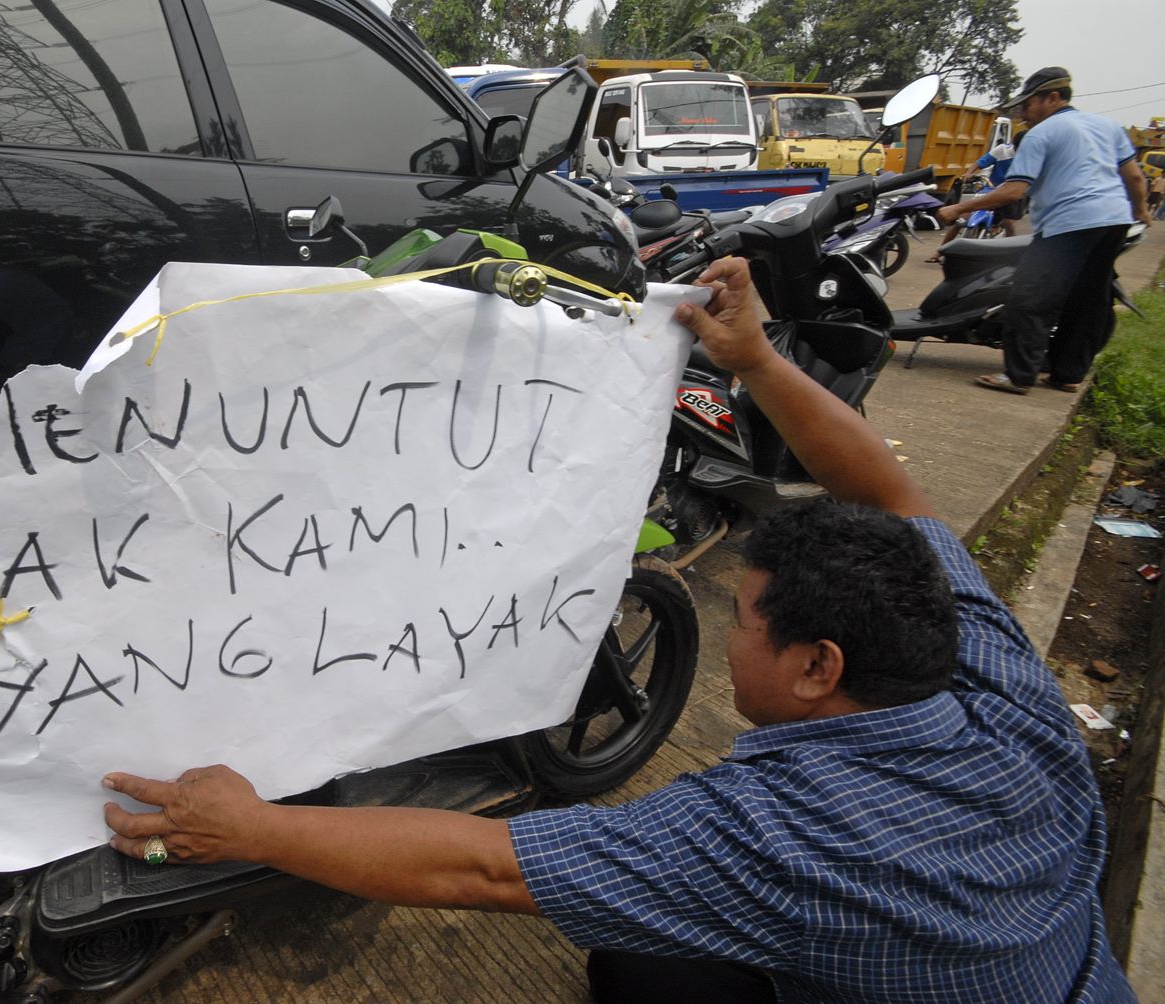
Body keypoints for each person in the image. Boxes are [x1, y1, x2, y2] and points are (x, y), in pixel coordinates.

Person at [101, 256, 1139, 1004]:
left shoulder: (779, 838)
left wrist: (250, 827)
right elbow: (892, 486)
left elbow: (486, 868)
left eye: (745, 618)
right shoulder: (992, 670)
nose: (730, 636)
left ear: (820, 666)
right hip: (1085, 976)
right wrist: (759, 361)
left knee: (639, 970)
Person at [935, 66, 1150, 395]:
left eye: (1027, 104)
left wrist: (958, 208)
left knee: (1029, 297)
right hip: (1114, 222)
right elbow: (1134, 178)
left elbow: (1013, 191)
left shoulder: (1041, 134)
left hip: (1070, 223)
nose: (1023, 113)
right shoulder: (1108, 127)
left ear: (1053, 98)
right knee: (1089, 300)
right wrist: (1141, 211)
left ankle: (1019, 375)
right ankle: (1067, 374)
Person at [925, 132, 1024, 261]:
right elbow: (980, 162)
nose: (1018, 149)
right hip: (990, 190)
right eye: (1017, 146)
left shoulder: (1030, 156)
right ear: (1012, 143)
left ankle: (1012, 257)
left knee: (1009, 224)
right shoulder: (1002, 150)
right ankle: (940, 252)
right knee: (961, 220)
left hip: (1008, 194)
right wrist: (968, 173)